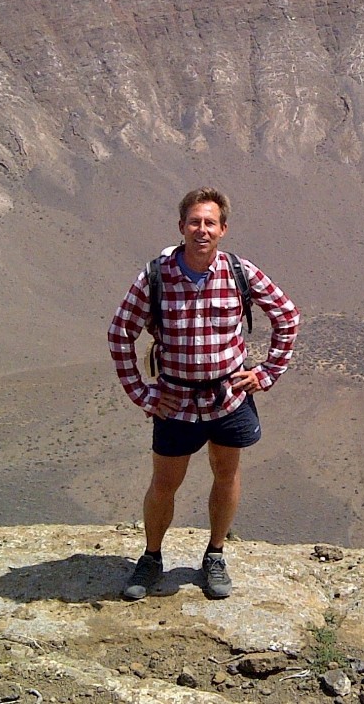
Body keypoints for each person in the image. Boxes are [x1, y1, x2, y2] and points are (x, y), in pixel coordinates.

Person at [107, 187, 300, 600]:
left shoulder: (239, 272)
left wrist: (267, 373)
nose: (202, 230)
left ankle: (215, 554)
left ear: (223, 229)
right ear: (181, 227)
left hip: (228, 396)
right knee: (164, 482)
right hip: (175, 401)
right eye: (194, 222)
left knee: (226, 474)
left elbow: (287, 316)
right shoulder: (156, 276)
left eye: (210, 222)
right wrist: (142, 394)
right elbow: (120, 333)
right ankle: (151, 557)